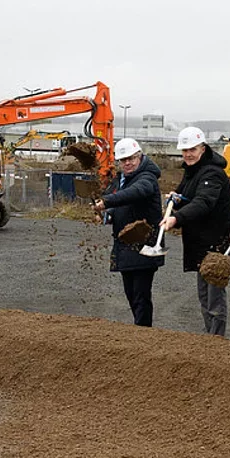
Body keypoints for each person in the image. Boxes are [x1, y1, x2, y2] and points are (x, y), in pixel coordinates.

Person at [162, 126, 230, 337]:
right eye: (184, 150)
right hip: (201, 243)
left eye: (192, 149)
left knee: (214, 297)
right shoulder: (192, 171)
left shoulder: (212, 173)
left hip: (216, 244)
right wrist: (177, 198)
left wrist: (177, 217)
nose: (187, 154)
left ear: (203, 149)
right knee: (204, 296)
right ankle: (210, 338)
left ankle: (216, 340)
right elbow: (189, 196)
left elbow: (204, 202)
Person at [94, 138, 164, 327]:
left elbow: (136, 192)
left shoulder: (147, 178)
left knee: (141, 297)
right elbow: (118, 204)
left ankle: (143, 334)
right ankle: (140, 332)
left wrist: (107, 202)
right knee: (132, 295)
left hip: (144, 244)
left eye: (131, 158)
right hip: (125, 245)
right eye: (123, 160)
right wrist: (107, 215)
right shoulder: (120, 180)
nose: (128, 163)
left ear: (139, 156)